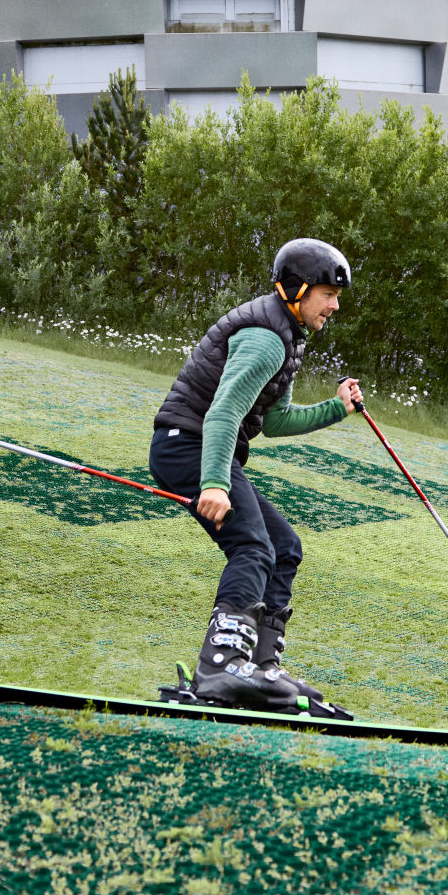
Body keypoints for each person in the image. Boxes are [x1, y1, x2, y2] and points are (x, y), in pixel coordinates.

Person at [149, 238, 364, 710]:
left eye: (336, 296)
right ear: (296, 288)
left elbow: (273, 421)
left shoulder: (284, 336)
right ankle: (221, 667)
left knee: (284, 547)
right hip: (189, 448)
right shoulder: (267, 338)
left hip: (205, 449)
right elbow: (223, 414)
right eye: (327, 293)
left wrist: (338, 408)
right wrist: (214, 484)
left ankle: (260, 667)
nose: (334, 305)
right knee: (252, 547)